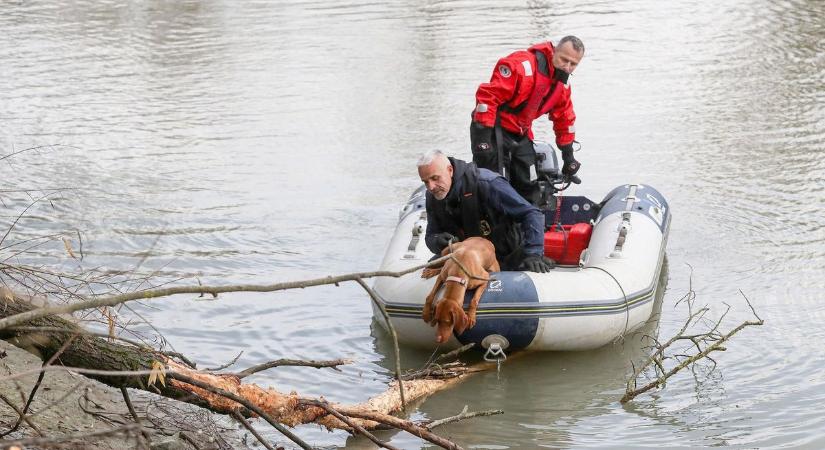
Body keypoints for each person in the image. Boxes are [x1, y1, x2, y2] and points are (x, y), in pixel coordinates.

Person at [470, 36, 585, 203]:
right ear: (554, 51)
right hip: (493, 128)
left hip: (520, 131)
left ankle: (527, 223)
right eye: (563, 60)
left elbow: (565, 120)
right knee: (494, 184)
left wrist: (568, 157)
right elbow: (487, 98)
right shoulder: (522, 66)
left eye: (573, 64)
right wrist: (483, 140)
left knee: (529, 183)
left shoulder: (562, 86)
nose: (567, 67)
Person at [417, 150, 554, 272]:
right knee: (430, 269)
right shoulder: (432, 196)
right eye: (425, 182)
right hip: (465, 259)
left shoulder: (487, 183)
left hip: (504, 257)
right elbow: (431, 235)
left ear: (450, 170)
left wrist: (533, 253)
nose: (431, 186)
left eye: (435, 178)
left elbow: (531, 213)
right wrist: (437, 241)